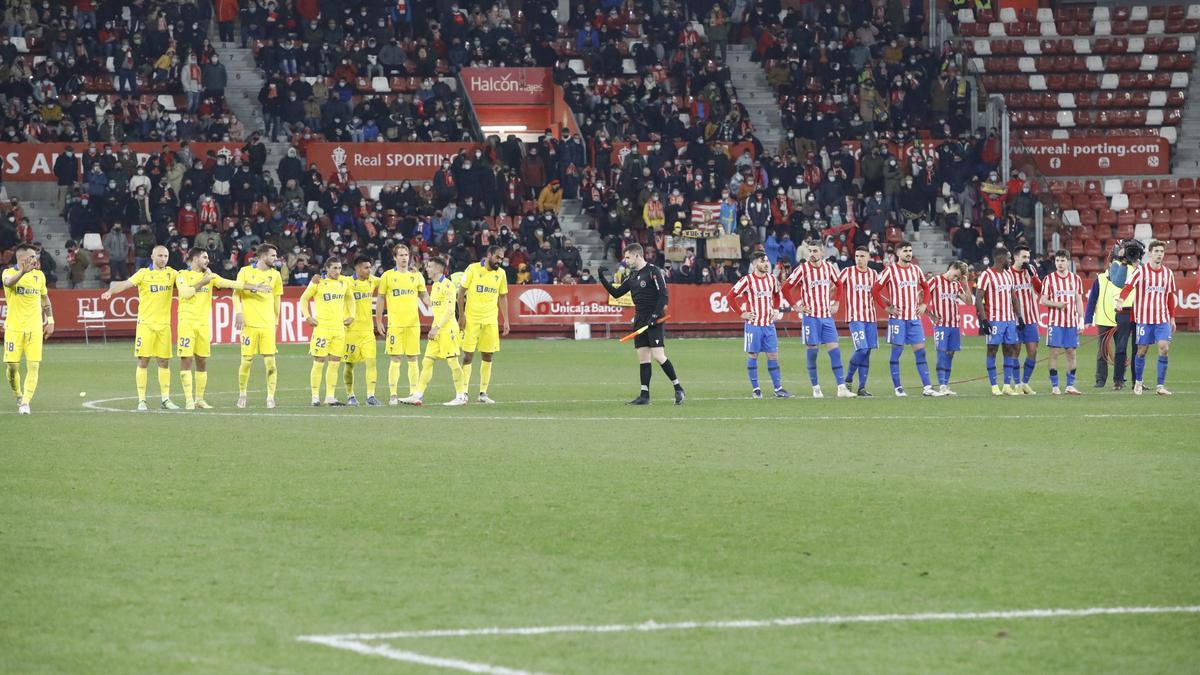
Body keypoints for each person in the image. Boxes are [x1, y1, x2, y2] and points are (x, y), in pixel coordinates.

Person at [175, 247, 266, 410]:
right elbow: (186, 293)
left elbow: (231, 283)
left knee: (202, 362)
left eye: (207, 257)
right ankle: (189, 399)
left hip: (203, 324)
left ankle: (199, 399)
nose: (207, 260)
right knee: (186, 360)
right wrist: (203, 281)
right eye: (204, 257)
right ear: (195, 259)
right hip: (187, 323)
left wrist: (254, 287)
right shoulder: (182, 275)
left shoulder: (211, 276)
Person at [598, 244, 685, 405]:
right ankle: (644, 396)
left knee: (659, 356)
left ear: (637, 255)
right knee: (643, 358)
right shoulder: (631, 276)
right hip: (640, 320)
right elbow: (617, 294)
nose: (626, 260)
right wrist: (602, 278)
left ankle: (678, 388)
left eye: (628, 257)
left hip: (654, 320)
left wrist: (654, 316)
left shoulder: (653, 271)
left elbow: (663, 297)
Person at [101, 245, 179, 410]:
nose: (163, 259)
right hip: (146, 325)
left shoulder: (172, 274)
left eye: (165, 256)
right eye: (160, 255)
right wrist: (111, 291)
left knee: (164, 362)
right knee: (143, 361)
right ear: (152, 256)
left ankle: (165, 399)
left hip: (164, 326)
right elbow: (125, 284)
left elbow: (186, 282)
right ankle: (141, 400)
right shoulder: (143, 274)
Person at [784, 240, 854, 398]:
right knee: (813, 352)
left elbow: (839, 283)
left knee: (834, 351)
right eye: (810, 251)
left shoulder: (829, 267)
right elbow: (785, 287)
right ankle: (816, 388)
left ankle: (841, 388)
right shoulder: (803, 269)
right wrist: (796, 306)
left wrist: (836, 302)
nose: (812, 254)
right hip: (811, 318)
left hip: (826, 316)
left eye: (815, 251)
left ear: (822, 252)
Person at [872, 241, 938, 397]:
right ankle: (898, 387)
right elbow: (875, 290)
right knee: (897, 352)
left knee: (920, 352)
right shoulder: (890, 271)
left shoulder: (916, 270)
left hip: (914, 319)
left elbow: (926, 287)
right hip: (898, 319)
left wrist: (924, 304)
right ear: (898, 253)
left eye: (910, 250)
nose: (908, 253)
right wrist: (886, 308)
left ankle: (927, 387)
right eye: (905, 250)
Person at [726, 251, 791, 399]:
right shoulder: (747, 280)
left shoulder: (771, 279)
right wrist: (741, 313)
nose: (766, 264)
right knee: (753, 355)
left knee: (773, 355)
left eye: (767, 261)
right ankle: (756, 389)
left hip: (768, 324)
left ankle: (778, 388)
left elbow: (776, 295)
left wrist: (775, 309)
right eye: (763, 261)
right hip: (753, 325)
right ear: (754, 264)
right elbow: (730, 296)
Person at [1116, 240, 1177, 396]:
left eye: (1161, 252)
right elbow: (1128, 287)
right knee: (1142, 351)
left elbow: (1170, 296)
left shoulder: (1168, 273)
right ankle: (1138, 382)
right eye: (1156, 251)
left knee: (1164, 348)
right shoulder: (1140, 272)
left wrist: (1172, 318)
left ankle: (1160, 386)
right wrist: (1121, 300)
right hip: (1144, 318)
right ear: (1150, 253)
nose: (1158, 254)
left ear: (1164, 254)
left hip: (1161, 318)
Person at [407, 255, 468, 406]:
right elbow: (430, 303)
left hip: (447, 330)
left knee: (453, 362)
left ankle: (461, 396)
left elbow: (449, 311)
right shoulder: (435, 286)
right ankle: (418, 394)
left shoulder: (448, 285)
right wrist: (418, 280)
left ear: (436, 268)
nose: (427, 268)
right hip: (438, 331)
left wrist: (436, 327)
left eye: (429, 266)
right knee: (427, 361)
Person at [3, 243, 53, 415]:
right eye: (33, 256)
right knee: (12, 367)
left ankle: (25, 402)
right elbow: (9, 283)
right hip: (14, 328)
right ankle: (18, 393)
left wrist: (51, 320)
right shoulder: (8, 273)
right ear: (23, 258)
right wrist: (22, 272)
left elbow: (45, 299)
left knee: (33, 366)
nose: (36, 259)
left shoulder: (39, 276)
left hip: (34, 328)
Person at [457, 245, 511, 403]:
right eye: (497, 257)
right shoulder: (473, 269)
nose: (499, 261)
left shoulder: (501, 274)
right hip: (471, 320)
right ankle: (463, 392)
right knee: (467, 355)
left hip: (490, 321)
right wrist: (461, 315)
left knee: (488, 355)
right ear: (489, 255)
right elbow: (461, 292)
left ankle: (483, 393)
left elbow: (503, 297)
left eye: (502, 258)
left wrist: (506, 320)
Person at [233, 243, 285, 409]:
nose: (275, 259)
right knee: (246, 362)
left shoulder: (275, 275)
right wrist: (238, 312)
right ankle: (242, 395)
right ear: (263, 256)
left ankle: (270, 397)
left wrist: (276, 321)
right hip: (249, 324)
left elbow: (277, 299)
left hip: (268, 325)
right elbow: (236, 293)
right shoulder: (245, 271)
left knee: (271, 363)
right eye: (273, 256)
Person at [299, 257, 355, 406]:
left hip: (339, 329)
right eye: (334, 268)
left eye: (339, 268)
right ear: (327, 268)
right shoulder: (318, 282)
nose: (338, 271)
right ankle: (315, 396)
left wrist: (352, 315)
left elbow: (350, 299)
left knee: (335, 363)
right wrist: (308, 317)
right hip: (322, 328)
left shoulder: (344, 282)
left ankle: (330, 397)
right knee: (318, 361)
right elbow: (303, 299)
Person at [379, 244, 430, 405]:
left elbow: (425, 297)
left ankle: (414, 393)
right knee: (395, 358)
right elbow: (380, 298)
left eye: (406, 254)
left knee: (413, 358)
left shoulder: (417, 276)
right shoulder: (387, 276)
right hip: (395, 325)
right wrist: (379, 320)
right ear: (395, 258)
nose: (403, 258)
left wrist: (436, 302)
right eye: (400, 255)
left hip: (413, 324)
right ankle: (393, 394)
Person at [975, 247, 1024, 396]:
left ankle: (1007, 386)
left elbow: (1014, 297)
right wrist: (984, 320)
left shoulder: (1009, 275)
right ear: (1000, 258)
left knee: (1010, 349)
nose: (1010, 261)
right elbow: (978, 299)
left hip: (1009, 320)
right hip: (995, 320)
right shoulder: (986, 275)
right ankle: (994, 385)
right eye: (1008, 258)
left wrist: (1019, 317)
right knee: (992, 350)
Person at [836, 247, 881, 396]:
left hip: (870, 318)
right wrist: (832, 301)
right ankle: (848, 379)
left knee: (867, 352)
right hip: (855, 317)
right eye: (856, 256)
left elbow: (877, 293)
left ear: (868, 257)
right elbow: (835, 285)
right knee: (861, 349)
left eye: (862, 256)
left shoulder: (874, 274)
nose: (859, 259)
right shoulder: (847, 272)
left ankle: (862, 387)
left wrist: (888, 305)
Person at [1039, 250, 1085, 395]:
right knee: (1054, 353)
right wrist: (1057, 304)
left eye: (1062, 260)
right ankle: (1055, 386)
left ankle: (1070, 385)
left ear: (1068, 262)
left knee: (1071, 353)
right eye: (1057, 260)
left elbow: (1078, 300)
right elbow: (1043, 300)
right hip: (1055, 322)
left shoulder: (1076, 279)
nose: (1059, 263)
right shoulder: (1049, 279)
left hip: (1071, 322)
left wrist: (1081, 319)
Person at [926, 261, 973, 396]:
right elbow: (920, 296)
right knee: (941, 353)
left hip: (954, 325)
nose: (956, 278)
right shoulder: (935, 281)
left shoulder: (956, 284)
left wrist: (965, 284)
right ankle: (941, 385)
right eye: (956, 275)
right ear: (952, 268)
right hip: (941, 325)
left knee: (950, 354)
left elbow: (969, 302)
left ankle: (945, 385)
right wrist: (930, 315)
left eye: (958, 277)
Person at [343, 255, 381, 406]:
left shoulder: (372, 280)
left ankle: (370, 396)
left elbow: (388, 280)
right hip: (351, 331)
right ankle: (350, 395)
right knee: (349, 365)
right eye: (366, 267)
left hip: (367, 331)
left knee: (371, 362)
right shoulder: (347, 282)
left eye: (370, 267)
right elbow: (330, 280)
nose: (369, 270)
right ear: (357, 268)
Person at [1010, 245, 1043, 394]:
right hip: (1014, 319)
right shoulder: (1008, 273)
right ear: (1015, 257)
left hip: (1031, 318)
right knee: (1015, 351)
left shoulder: (1031, 271)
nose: (1026, 260)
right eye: (1024, 257)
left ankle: (1025, 383)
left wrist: (1032, 275)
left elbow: (1040, 290)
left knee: (1032, 351)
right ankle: (1016, 384)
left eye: (1028, 257)